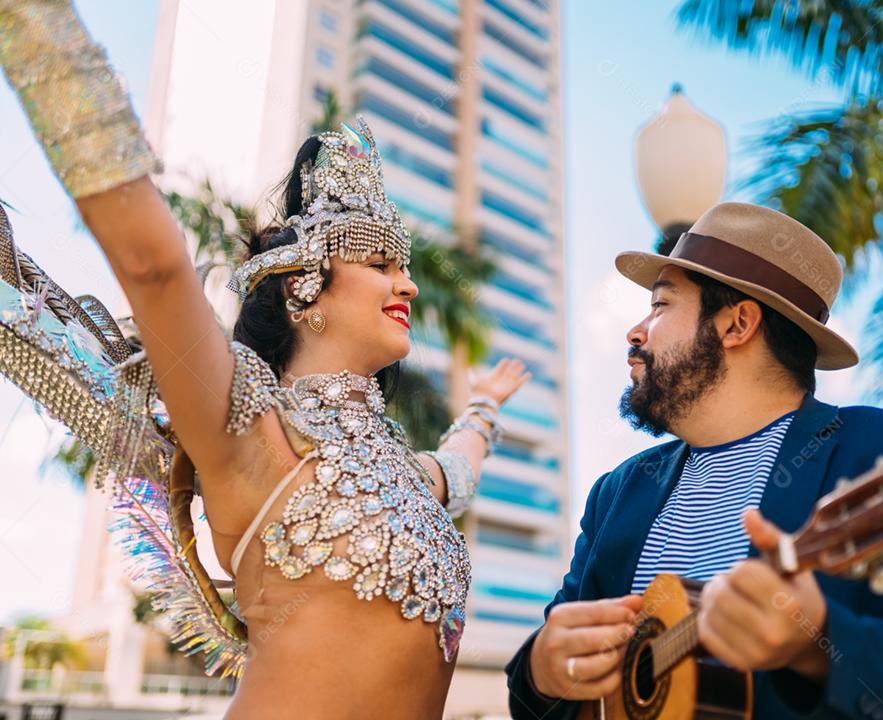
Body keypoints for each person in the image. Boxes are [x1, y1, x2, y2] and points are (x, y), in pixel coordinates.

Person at [0, 3, 528, 718]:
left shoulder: (402, 473)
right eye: (378, 262)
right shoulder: (251, 432)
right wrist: (33, 27)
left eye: (403, 265)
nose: (406, 282)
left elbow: (458, 466)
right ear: (304, 290)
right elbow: (152, 264)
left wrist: (486, 407)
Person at [505, 202, 883, 719]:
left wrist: (822, 639)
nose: (636, 330)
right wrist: (539, 672)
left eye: (661, 304)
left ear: (737, 325)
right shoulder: (617, 494)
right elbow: (542, 696)